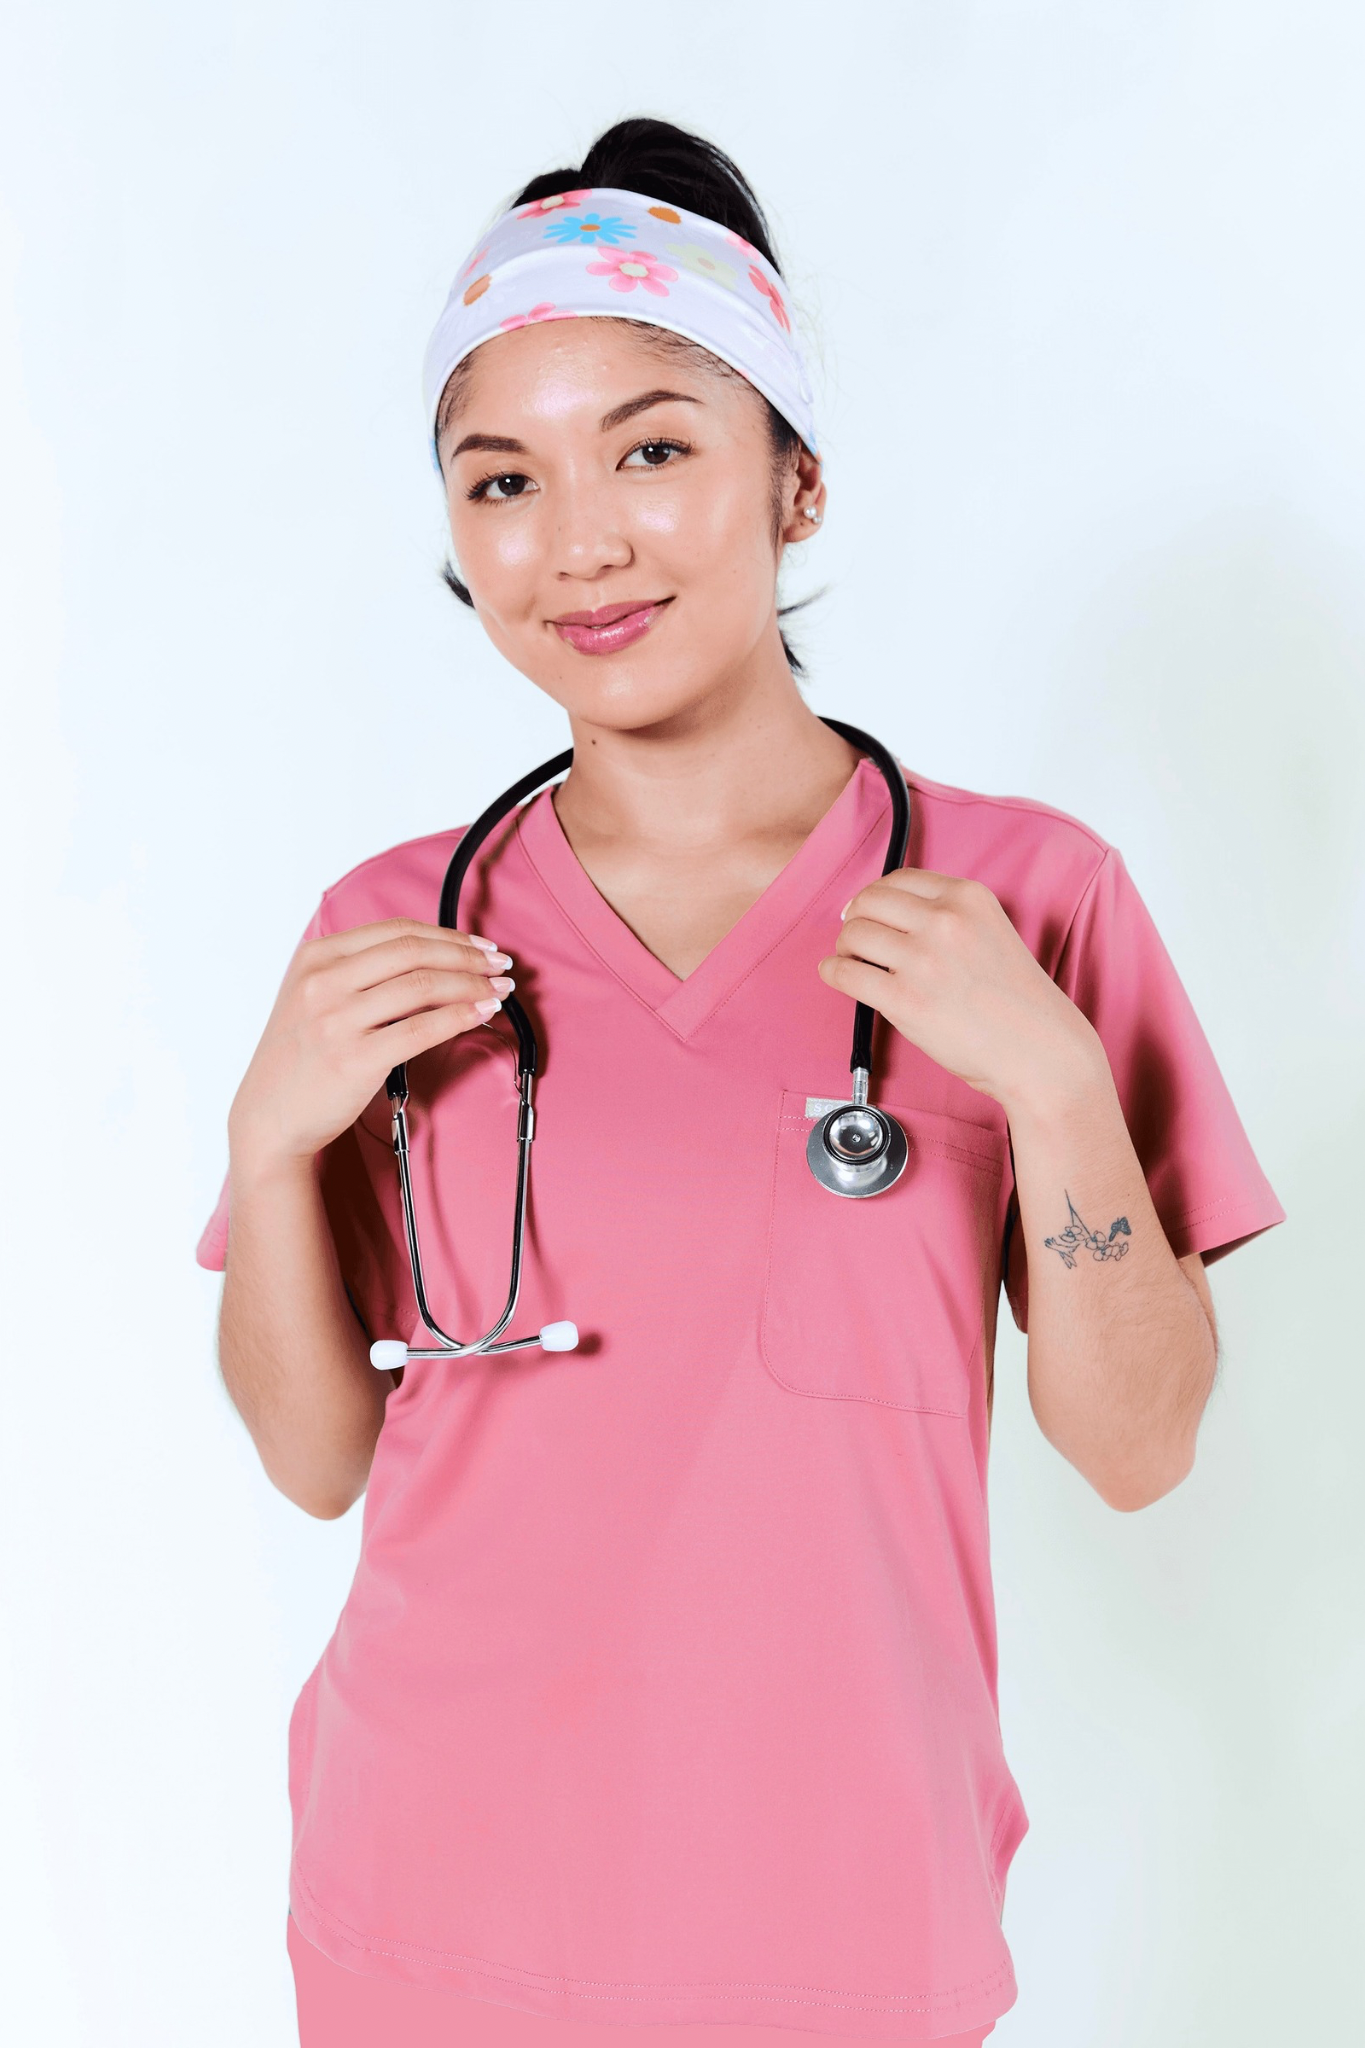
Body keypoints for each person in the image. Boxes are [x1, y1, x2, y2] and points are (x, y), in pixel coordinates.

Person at [197, 118, 1285, 2048]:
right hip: (430, 1913)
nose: (581, 540)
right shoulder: (392, 931)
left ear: (796, 480)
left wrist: (1053, 1084)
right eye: (503, 479)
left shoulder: (1025, 900)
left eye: (652, 450)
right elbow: (314, 1459)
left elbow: (1142, 1450)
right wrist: (268, 1143)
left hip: (842, 1920)